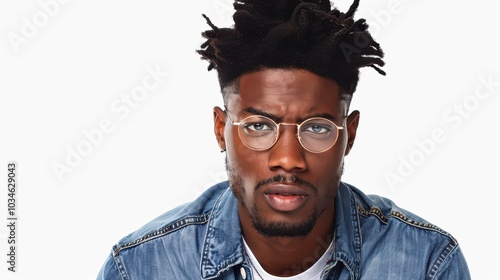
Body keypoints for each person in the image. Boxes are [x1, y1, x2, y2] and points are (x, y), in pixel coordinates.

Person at [97, 0, 471, 279]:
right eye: (259, 126)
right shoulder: (140, 268)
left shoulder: (427, 264)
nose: (289, 160)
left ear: (350, 135)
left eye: (317, 128)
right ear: (220, 130)